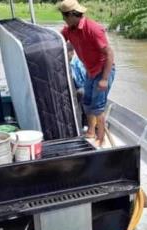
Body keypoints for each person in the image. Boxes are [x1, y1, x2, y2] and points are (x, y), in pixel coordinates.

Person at [58, 0, 115, 147]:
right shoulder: (70, 29)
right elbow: (59, 40)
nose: (63, 19)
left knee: (98, 107)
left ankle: (101, 138)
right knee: (87, 103)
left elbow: (109, 53)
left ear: (71, 15)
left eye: (64, 16)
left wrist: (104, 79)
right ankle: (90, 131)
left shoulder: (93, 29)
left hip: (103, 71)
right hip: (90, 71)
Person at [67, 43, 87, 127]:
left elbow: (88, 80)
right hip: (77, 87)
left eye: (66, 53)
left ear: (71, 53)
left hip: (87, 87)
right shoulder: (66, 62)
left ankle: (85, 122)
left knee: (81, 93)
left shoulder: (79, 63)